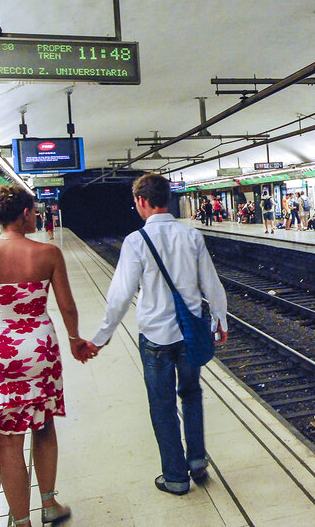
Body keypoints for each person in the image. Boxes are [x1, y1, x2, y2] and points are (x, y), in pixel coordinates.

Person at [0, 186, 91, 526]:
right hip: (39, 347)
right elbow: (67, 305)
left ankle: (21, 521)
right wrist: (75, 340)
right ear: (26, 213)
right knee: (42, 426)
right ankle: (49, 505)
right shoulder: (48, 253)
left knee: (8, 439)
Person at [89, 173, 228, 496]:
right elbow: (212, 285)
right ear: (168, 198)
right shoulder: (191, 236)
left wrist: (102, 335)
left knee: (162, 405)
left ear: (141, 201)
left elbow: (121, 294)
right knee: (192, 394)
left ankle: (176, 476)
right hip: (190, 333)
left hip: (155, 337)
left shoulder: (136, 241)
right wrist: (220, 320)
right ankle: (197, 461)